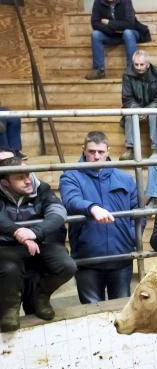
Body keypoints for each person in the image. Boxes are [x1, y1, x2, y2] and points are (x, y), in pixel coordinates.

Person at [59, 131, 139, 304]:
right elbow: (71, 200)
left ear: (108, 151)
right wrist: (92, 207)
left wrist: (131, 235)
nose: (96, 156)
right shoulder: (71, 176)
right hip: (88, 259)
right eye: (92, 151)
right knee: (91, 311)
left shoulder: (125, 178)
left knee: (121, 309)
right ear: (84, 150)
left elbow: (137, 211)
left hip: (121, 257)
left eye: (101, 152)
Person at [0, 155, 76, 331]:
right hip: (6, 245)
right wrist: (18, 232)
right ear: (5, 183)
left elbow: (58, 212)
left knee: (67, 266)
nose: (28, 180)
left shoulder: (41, 188)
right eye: (20, 177)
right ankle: (10, 309)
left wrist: (34, 232)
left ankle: (41, 296)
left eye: (28, 174)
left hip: (39, 241)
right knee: (9, 268)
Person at [85, 0, 150, 80]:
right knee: (95, 34)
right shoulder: (98, 2)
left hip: (131, 33)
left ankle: (131, 70)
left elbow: (129, 23)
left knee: (128, 32)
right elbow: (95, 23)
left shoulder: (126, 1)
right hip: (112, 34)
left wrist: (109, 23)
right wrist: (112, 29)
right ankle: (99, 70)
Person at [120, 50, 157, 161]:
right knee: (129, 115)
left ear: (148, 64)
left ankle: (155, 149)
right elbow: (127, 98)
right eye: (136, 64)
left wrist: (147, 110)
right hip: (135, 107)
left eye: (142, 64)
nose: (139, 67)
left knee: (154, 115)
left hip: (153, 107)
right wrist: (138, 110)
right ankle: (130, 149)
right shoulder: (127, 75)